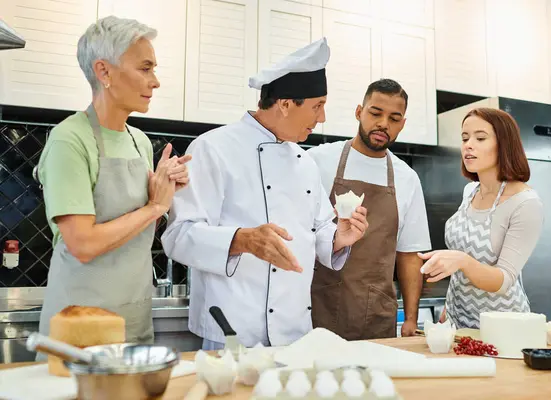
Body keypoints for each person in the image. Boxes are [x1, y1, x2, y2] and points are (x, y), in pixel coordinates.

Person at [161, 38, 369, 350]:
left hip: (294, 335)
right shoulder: (213, 149)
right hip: (231, 334)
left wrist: (339, 236)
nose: (322, 117)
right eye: (317, 106)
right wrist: (242, 239)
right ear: (285, 104)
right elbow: (178, 236)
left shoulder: (305, 162)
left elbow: (318, 230)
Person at [36, 16, 191, 354]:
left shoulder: (139, 140)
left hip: (132, 323)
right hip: (78, 330)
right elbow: (83, 244)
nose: (156, 81)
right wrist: (154, 207)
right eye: (145, 68)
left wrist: (164, 190)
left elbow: (137, 229)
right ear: (104, 72)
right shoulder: (69, 140)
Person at [307, 79, 431, 340]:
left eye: (394, 118)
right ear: (358, 112)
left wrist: (411, 319)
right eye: (375, 113)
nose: (384, 124)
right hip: (316, 307)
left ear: (402, 124)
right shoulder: (318, 161)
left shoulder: (406, 178)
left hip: (375, 315)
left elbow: (409, 255)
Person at [419, 107, 544, 329]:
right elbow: (463, 262)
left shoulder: (525, 203)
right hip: (458, 324)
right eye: (465, 138)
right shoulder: (470, 192)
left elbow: (504, 281)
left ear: (504, 144)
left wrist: (461, 261)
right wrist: (449, 308)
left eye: (480, 138)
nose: (468, 144)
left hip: (503, 329)